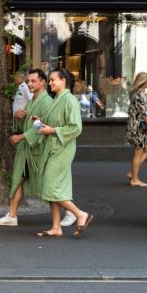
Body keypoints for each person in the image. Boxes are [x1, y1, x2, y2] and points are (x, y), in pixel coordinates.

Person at [0, 69, 64, 227]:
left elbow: (42, 127)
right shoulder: (32, 101)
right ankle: (12, 215)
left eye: (33, 81)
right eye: (28, 81)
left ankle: (73, 212)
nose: (29, 84)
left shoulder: (46, 102)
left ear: (42, 82)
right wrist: (17, 118)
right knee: (18, 179)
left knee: (50, 183)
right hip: (28, 150)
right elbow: (28, 124)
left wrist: (20, 136)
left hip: (38, 150)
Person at [33, 68, 94, 238]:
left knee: (50, 186)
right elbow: (55, 124)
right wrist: (41, 124)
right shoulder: (57, 99)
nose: (50, 83)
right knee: (54, 187)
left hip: (62, 148)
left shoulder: (70, 100)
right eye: (50, 80)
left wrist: (52, 130)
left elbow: (76, 128)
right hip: (53, 146)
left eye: (53, 80)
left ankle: (79, 213)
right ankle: (56, 227)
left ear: (63, 81)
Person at [125, 71, 147, 187]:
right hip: (137, 127)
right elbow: (143, 113)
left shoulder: (139, 93)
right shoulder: (139, 95)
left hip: (139, 126)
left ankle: (131, 173)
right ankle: (134, 179)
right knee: (138, 151)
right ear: (143, 82)